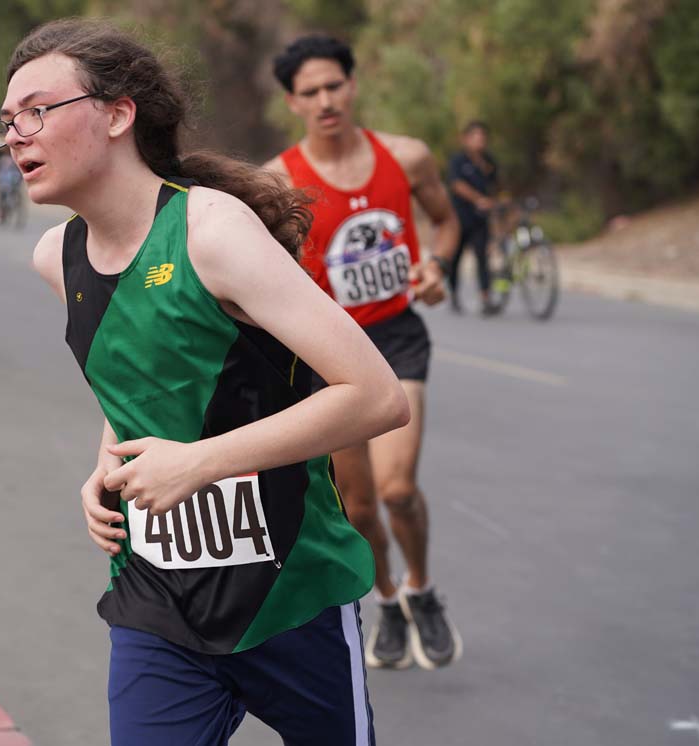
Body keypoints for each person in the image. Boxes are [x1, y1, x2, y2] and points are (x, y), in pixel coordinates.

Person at [0, 19, 410, 744]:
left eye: (36, 111)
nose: (16, 136)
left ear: (118, 113)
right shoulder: (54, 258)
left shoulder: (210, 231)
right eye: (6, 124)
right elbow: (139, 375)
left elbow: (376, 396)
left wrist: (199, 463)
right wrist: (107, 463)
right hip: (160, 602)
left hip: (290, 591)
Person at [265, 33, 464, 671]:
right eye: (310, 92)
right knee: (357, 508)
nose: (325, 100)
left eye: (334, 86)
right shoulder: (277, 181)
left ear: (352, 86)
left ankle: (422, 589)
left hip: (398, 336)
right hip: (330, 354)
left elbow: (447, 220)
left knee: (399, 489)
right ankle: (385, 600)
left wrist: (436, 264)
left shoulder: (405, 157)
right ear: (292, 102)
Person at [446, 120, 499, 313]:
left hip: (480, 219)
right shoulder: (458, 161)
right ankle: (453, 294)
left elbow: (495, 186)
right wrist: (478, 199)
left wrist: (494, 203)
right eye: (475, 137)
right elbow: (456, 184)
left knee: (482, 257)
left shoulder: (489, 162)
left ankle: (485, 297)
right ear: (466, 139)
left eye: (483, 137)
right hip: (460, 217)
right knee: (456, 257)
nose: (480, 141)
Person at [0, 150, 24, 227]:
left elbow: (20, 170)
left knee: (18, 201)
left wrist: (19, 180)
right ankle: (2, 215)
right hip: (3, 182)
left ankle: (18, 219)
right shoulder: (1, 158)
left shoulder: (16, 157)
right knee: (1, 200)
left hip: (14, 182)